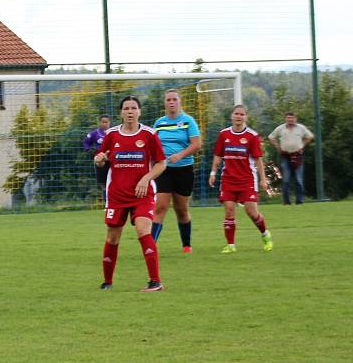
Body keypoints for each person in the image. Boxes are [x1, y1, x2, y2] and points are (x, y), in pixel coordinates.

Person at [94, 96, 167, 292]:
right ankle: (107, 283)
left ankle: (155, 281)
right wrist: (100, 160)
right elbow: (101, 159)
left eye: (133, 108)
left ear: (139, 112)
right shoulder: (111, 135)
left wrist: (146, 179)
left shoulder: (149, 135)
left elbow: (161, 163)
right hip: (117, 195)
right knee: (112, 237)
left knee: (143, 230)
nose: (130, 111)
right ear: (121, 112)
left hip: (142, 193)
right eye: (126, 108)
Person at [209, 105, 273, 253]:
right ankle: (231, 245)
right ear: (231, 116)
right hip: (228, 180)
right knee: (229, 211)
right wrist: (213, 173)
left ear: (246, 117)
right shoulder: (224, 135)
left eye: (242, 114)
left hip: (247, 180)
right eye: (236, 114)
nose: (238, 116)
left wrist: (263, 179)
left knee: (252, 213)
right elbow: (218, 155)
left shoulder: (252, 136)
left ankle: (265, 235)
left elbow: (258, 160)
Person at [152, 89, 202, 252]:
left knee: (181, 209)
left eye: (174, 99)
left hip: (184, 170)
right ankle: (150, 246)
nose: (171, 102)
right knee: (160, 207)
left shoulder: (188, 121)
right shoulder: (159, 123)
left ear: (180, 101)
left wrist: (180, 155)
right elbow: (152, 144)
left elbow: (196, 144)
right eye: (168, 100)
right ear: (165, 103)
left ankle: (186, 245)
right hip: (164, 170)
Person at [267, 112, 314, 205]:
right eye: (288, 118)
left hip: (297, 156)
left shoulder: (301, 128)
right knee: (286, 180)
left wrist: (302, 145)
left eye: (292, 118)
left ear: (295, 119)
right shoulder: (280, 128)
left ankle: (299, 201)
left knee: (299, 180)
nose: (290, 120)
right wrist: (278, 146)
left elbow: (310, 136)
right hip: (285, 156)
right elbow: (271, 137)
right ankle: (287, 202)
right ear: (285, 119)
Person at [83, 115, 112, 194]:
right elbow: (86, 142)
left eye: (106, 122)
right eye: (103, 122)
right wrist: (88, 150)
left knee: (114, 181)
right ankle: (106, 200)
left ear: (109, 123)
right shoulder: (95, 133)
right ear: (100, 122)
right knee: (103, 183)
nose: (104, 124)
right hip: (100, 160)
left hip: (111, 159)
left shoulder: (113, 133)